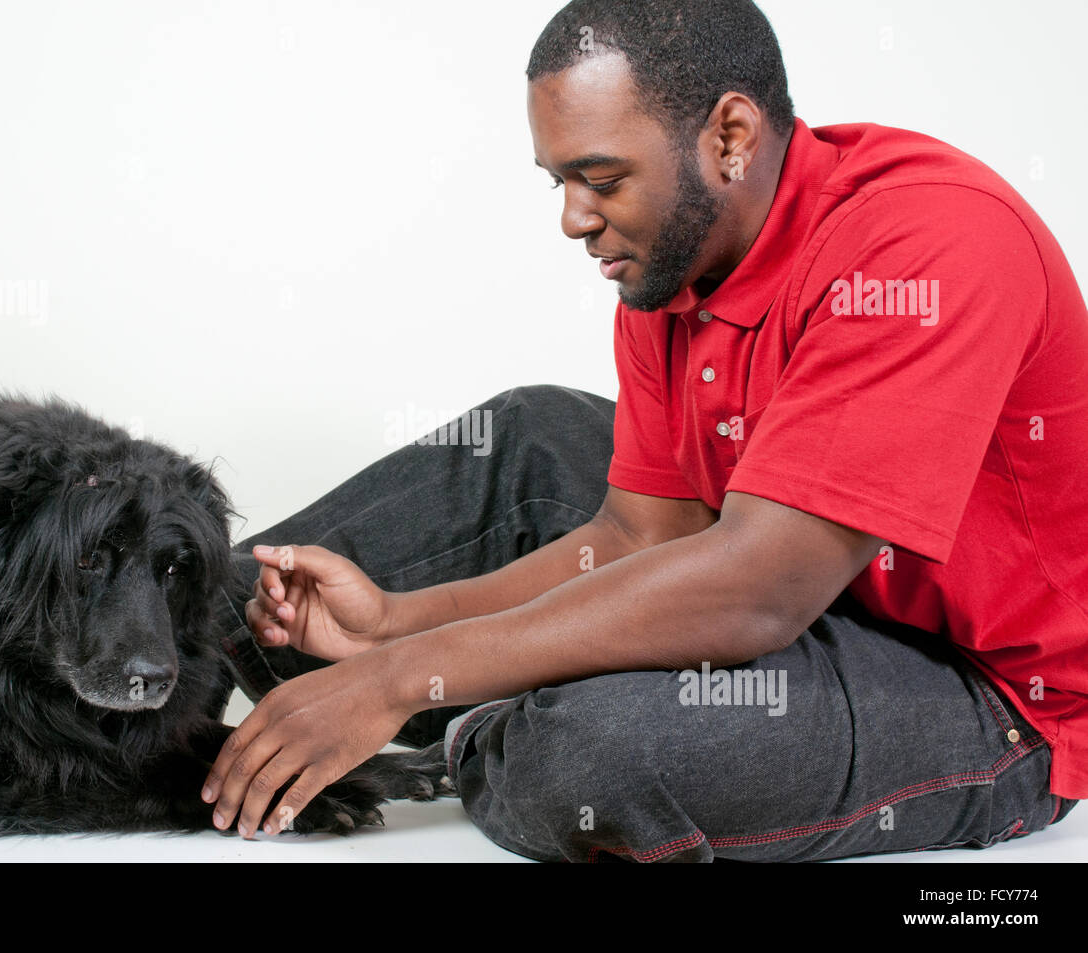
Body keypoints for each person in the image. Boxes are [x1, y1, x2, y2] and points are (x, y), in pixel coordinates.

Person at [200, 0, 1087, 861]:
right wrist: (394, 625)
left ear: (730, 138)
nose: (574, 219)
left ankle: (458, 724)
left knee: (593, 754)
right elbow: (639, 535)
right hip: (788, 586)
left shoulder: (926, 245)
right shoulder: (673, 263)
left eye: (603, 179)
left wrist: (403, 677)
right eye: (560, 182)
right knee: (531, 434)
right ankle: (140, 698)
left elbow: (756, 592)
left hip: (988, 691)